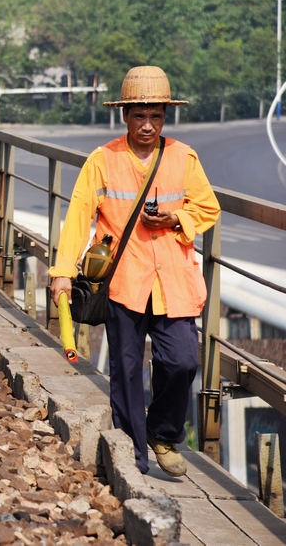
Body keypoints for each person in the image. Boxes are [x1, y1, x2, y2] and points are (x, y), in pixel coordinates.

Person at [49, 66, 220, 478]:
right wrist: (62, 272)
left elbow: (207, 207)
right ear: (125, 116)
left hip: (173, 280)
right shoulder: (102, 160)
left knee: (181, 362)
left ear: (165, 116)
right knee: (125, 371)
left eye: (156, 116)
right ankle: (132, 459)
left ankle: (162, 434)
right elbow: (78, 218)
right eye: (139, 116)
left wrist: (176, 220)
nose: (147, 125)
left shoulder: (182, 157)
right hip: (123, 282)